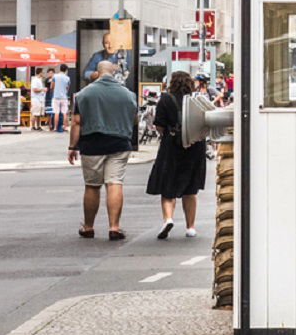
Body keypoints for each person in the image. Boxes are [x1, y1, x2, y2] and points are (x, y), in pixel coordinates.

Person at [68, 60, 139, 241]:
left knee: (92, 186)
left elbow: (77, 122)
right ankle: (114, 227)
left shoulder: (84, 94)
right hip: (119, 143)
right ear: (114, 72)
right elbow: (134, 119)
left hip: (92, 144)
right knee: (114, 183)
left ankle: (89, 227)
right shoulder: (128, 94)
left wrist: (72, 147)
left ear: (97, 73)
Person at [147, 71, 206, 239]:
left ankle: (168, 219)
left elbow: (159, 125)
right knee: (190, 189)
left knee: (168, 185)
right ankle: (190, 227)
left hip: (171, 146)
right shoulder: (198, 99)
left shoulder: (165, 99)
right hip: (195, 146)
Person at [51, 64, 72, 132]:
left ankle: (55, 127)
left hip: (56, 97)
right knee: (64, 113)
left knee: (56, 113)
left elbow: (51, 87)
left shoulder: (55, 76)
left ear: (60, 68)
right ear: (66, 70)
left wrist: (55, 90)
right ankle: (65, 127)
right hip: (64, 97)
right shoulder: (67, 78)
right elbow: (68, 88)